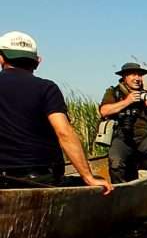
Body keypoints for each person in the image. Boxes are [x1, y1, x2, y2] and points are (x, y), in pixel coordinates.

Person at [0, 31, 112, 193]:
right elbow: (64, 132)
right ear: (37, 62)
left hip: (3, 179)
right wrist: (88, 177)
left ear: (1, 58)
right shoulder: (46, 88)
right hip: (41, 180)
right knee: (100, 181)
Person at [98, 62, 147, 183]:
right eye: (133, 75)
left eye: (140, 75)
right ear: (124, 77)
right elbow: (104, 111)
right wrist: (127, 101)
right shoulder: (114, 92)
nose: (137, 78)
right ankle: (121, 193)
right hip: (122, 137)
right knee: (116, 162)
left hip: (144, 137)